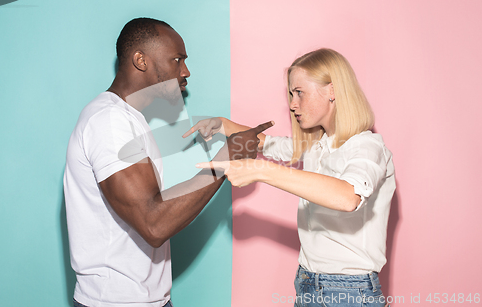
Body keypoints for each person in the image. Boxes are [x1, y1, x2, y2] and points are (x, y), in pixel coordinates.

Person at [63, 17, 273, 307]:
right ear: (141, 60)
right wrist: (226, 159)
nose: (185, 71)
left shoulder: (128, 120)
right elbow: (154, 224)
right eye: (177, 60)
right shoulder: (109, 122)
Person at [189, 48, 395, 307]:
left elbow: (347, 196)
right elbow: (265, 142)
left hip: (349, 291)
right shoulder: (317, 145)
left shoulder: (367, 146)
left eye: (299, 92)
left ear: (332, 91)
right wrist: (222, 124)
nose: (292, 104)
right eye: (290, 94)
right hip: (308, 282)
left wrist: (262, 171)